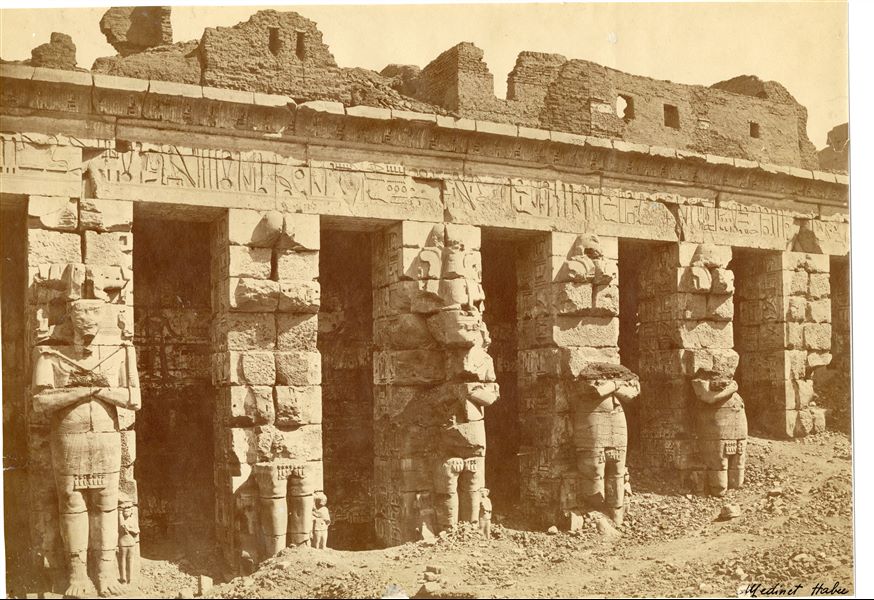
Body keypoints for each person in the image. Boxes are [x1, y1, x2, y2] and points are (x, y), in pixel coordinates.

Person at [32, 297, 140, 598]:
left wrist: (99, 388)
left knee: (106, 504)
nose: (88, 322)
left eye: (95, 315)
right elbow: (40, 402)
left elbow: (134, 399)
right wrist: (83, 391)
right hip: (69, 438)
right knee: (72, 503)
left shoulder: (119, 352)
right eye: (82, 315)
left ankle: (105, 571)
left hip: (106, 438)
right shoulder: (50, 354)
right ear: (71, 319)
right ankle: (77, 573)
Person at [117, 495, 139, 585]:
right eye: (124, 511)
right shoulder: (121, 521)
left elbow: (137, 530)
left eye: (128, 511)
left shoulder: (132, 520)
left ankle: (130, 577)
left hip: (131, 543)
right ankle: (123, 578)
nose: (126, 513)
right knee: (122, 560)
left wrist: (129, 529)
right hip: (122, 543)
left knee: (130, 560)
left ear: (131, 512)